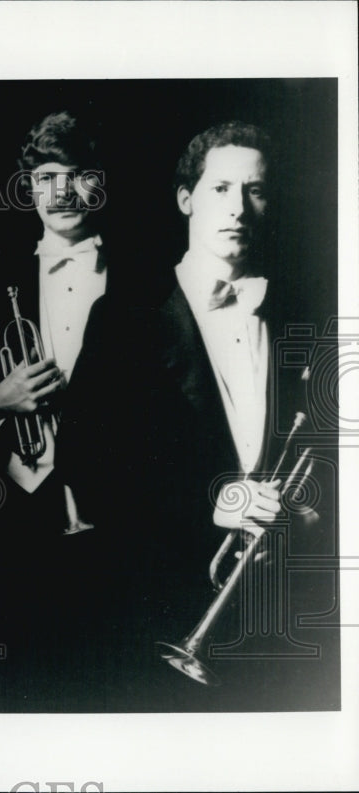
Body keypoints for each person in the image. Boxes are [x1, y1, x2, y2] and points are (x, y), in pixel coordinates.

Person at [118, 120, 337, 710]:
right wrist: (210, 502)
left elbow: (331, 451)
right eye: (220, 189)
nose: (238, 207)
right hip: (160, 612)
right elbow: (92, 468)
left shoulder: (306, 320)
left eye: (255, 190)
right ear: (186, 198)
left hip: (280, 617)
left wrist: (307, 514)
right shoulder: (126, 317)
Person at [0, 110, 113, 710]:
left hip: (114, 511)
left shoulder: (144, 276)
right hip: (20, 509)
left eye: (78, 175)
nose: (62, 193)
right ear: (29, 189)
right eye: (47, 177)